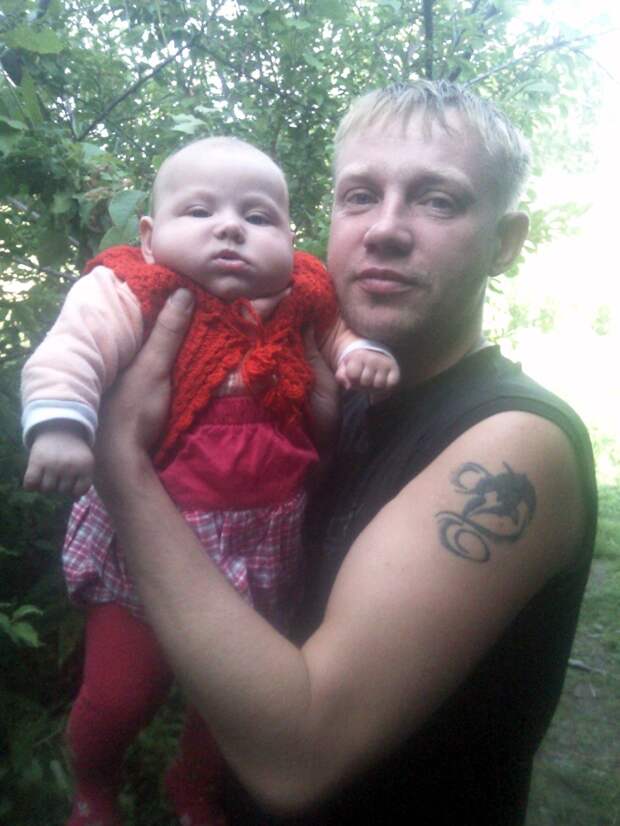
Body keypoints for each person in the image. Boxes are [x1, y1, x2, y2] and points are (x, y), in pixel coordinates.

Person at [90, 82, 597, 825]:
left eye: (438, 201)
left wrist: (122, 467)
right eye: (359, 197)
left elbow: (298, 754)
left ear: (504, 242)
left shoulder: (514, 445)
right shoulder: (334, 397)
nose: (384, 230)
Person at [20, 136, 399, 826]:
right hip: (147, 538)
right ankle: (94, 785)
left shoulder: (305, 293)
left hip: (263, 538)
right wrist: (61, 426)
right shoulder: (135, 287)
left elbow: (339, 333)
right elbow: (75, 347)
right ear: (149, 235)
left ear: (290, 239)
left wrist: (361, 352)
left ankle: (193, 790)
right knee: (118, 696)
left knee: (232, 706)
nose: (230, 228)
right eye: (199, 212)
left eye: (257, 217)